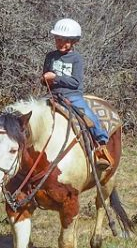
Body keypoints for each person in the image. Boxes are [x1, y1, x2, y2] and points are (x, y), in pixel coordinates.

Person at [41, 18, 112, 169]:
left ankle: (101, 145)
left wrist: (56, 78)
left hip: (72, 96)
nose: (61, 43)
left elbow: (75, 82)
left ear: (74, 42)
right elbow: (45, 77)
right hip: (52, 95)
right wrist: (45, 79)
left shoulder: (76, 59)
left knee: (88, 116)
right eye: (58, 39)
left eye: (67, 40)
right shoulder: (50, 56)